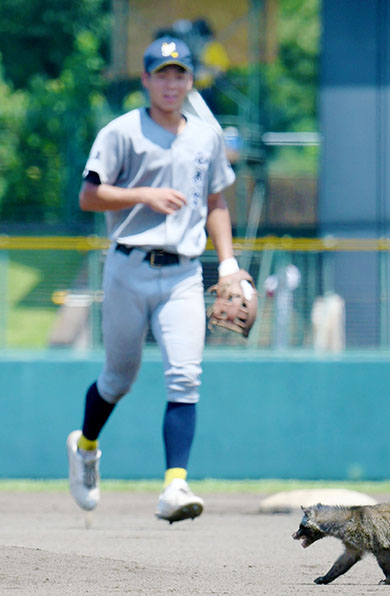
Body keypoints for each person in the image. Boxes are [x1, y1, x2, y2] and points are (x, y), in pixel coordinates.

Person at [66, 35, 241, 523]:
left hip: (184, 271)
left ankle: (174, 486)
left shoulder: (207, 136)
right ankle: (85, 447)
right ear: (145, 80)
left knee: (185, 375)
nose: (170, 83)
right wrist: (144, 194)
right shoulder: (122, 131)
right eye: (160, 74)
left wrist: (227, 263)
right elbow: (89, 196)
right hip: (127, 266)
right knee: (118, 379)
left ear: (190, 81)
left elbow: (216, 203)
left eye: (179, 74)